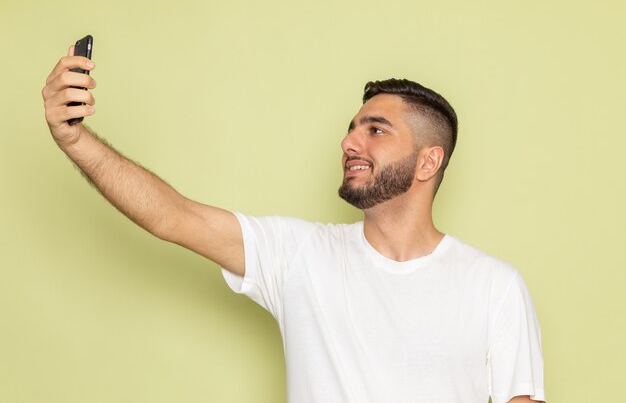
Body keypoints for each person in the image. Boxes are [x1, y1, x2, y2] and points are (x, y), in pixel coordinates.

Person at [42, 45, 546, 403]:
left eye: (376, 130)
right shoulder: (299, 255)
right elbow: (173, 216)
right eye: (351, 130)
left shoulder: (494, 287)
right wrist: (75, 141)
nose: (350, 143)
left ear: (427, 162)